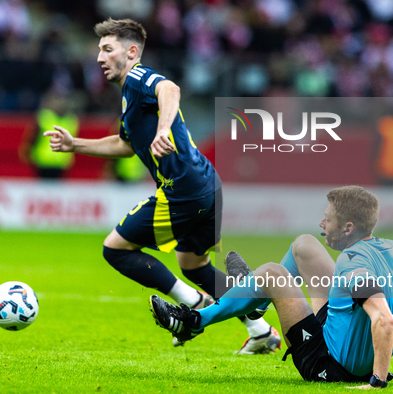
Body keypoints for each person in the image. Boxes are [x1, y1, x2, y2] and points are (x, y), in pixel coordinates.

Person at [43, 18, 279, 353]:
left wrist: (163, 129)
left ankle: (193, 303)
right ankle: (261, 331)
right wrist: (75, 145)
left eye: (107, 49)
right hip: (206, 184)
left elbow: (170, 89)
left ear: (132, 51)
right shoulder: (129, 96)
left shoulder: (138, 76)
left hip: (182, 188)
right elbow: (125, 145)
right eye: (99, 50)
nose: (99, 57)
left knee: (115, 248)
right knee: (193, 265)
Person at [150, 186, 393, 388]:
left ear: (347, 227)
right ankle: (258, 303)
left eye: (327, 219)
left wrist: (376, 382)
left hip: (328, 365)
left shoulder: (352, 266)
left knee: (272, 274)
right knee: (303, 244)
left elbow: (384, 319)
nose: (322, 224)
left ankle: (193, 322)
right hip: (335, 333)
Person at [19, 89, 79, 179]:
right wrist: (27, 152)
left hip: (62, 163)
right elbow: (32, 137)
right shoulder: (44, 117)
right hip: (42, 162)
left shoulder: (71, 120)